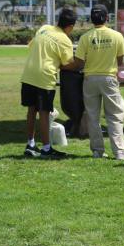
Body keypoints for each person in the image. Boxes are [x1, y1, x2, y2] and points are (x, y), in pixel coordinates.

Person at [74, 4, 124, 160]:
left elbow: (79, 62)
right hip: (109, 78)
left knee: (93, 117)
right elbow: (120, 60)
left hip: (90, 79)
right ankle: (119, 152)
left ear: (91, 19)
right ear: (107, 18)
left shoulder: (85, 37)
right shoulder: (117, 36)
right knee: (115, 116)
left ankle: (97, 151)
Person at [20, 8, 77, 159]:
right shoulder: (65, 40)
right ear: (71, 26)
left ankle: (30, 144)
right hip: (45, 77)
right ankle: (46, 148)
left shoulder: (44, 28)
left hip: (28, 74)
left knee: (31, 110)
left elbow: (31, 45)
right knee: (44, 113)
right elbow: (70, 64)